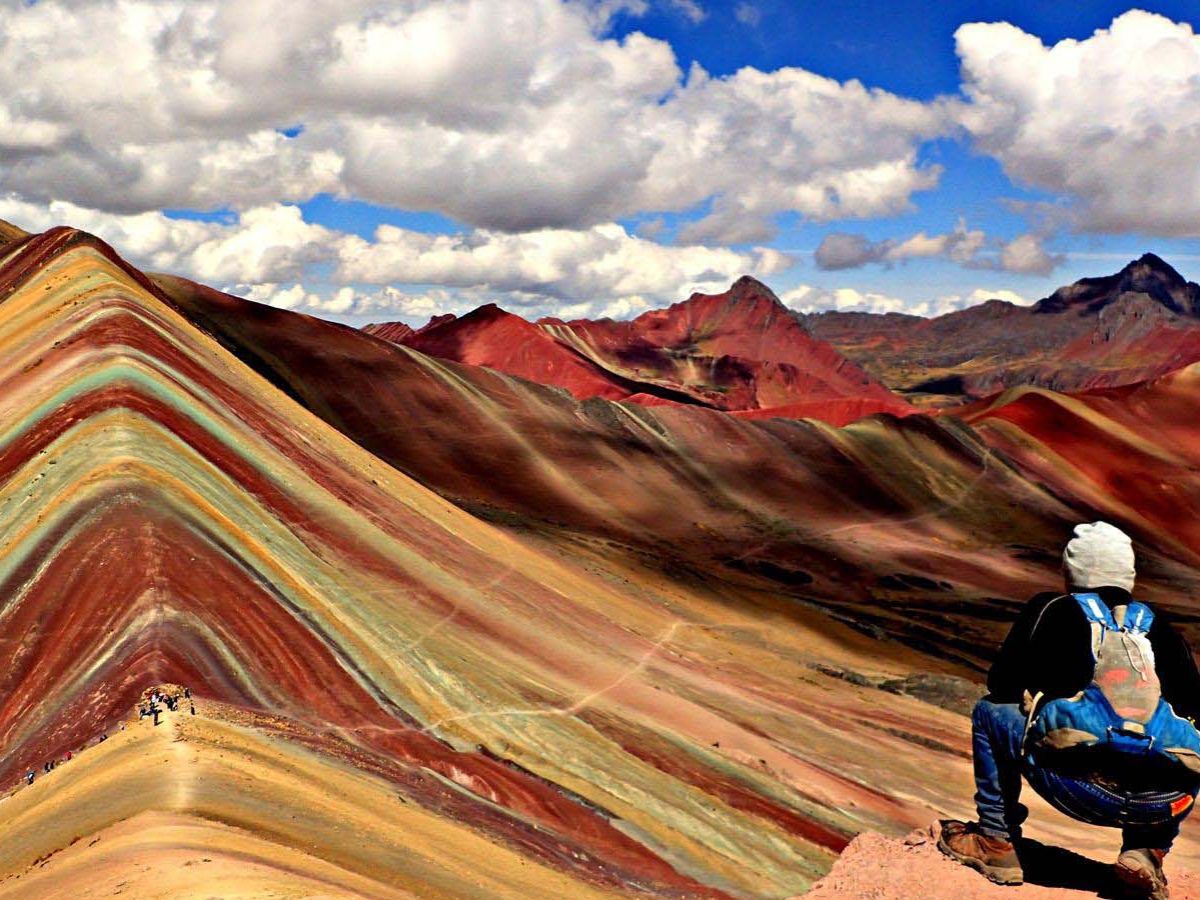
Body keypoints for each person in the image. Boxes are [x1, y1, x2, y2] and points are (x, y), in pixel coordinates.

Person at [940, 522, 1200, 899]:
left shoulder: (1051, 608)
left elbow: (1001, 685)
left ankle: (995, 841)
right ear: (1127, 574)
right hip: (1158, 805)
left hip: (1077, 788)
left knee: (988, 712)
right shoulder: (1160, 629)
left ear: (1072, 570)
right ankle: (1148, 850)